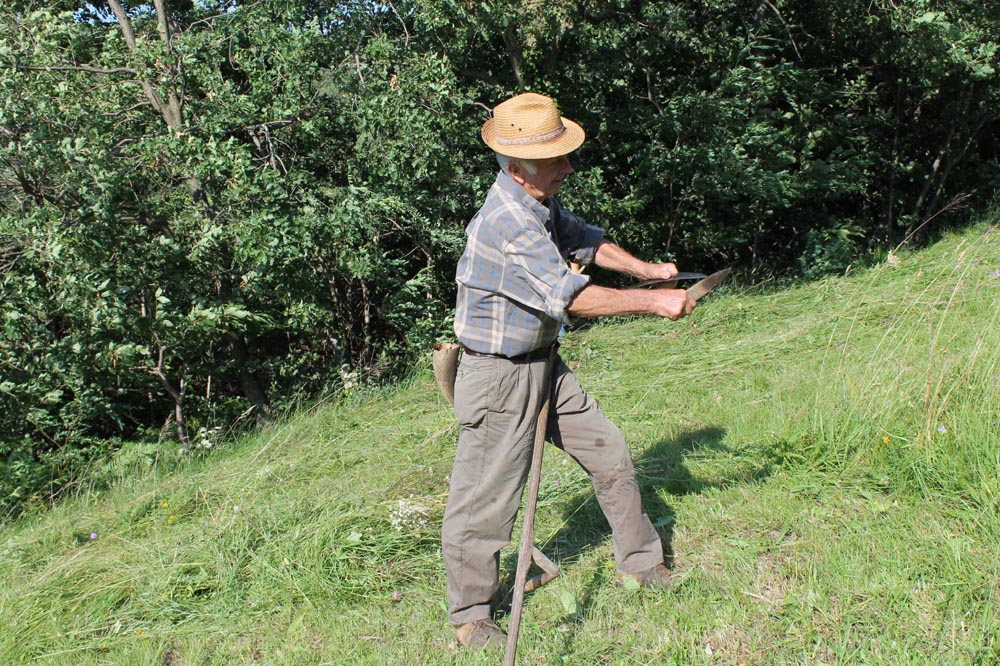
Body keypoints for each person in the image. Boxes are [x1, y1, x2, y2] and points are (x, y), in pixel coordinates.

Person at [441, 92, 697, 650]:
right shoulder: (507, 223)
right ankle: (471, 614)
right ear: (518, 169)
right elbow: (571, 297)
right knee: (486, 499)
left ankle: (640, 564)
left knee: (610, 453)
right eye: (554, 159)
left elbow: (587, 239)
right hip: (499, 378)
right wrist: (655, 303)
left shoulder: (537, 204)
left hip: (544, 364)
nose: (568, 167)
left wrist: (649, 271)